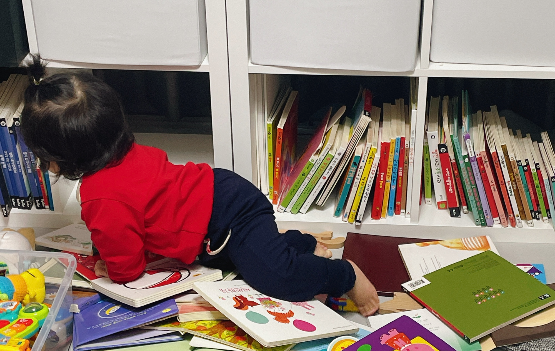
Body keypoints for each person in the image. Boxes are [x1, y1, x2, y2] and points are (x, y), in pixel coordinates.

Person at [20, 57, 379, 316]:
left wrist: (112, 268)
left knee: (276, 279)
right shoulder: (123, 151)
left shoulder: (101, 196)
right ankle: (303, 244)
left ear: (61, 156)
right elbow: (127, 226)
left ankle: (345, 275)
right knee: (244, 258)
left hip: (229, 214)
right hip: (218, 206)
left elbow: (127, 267)